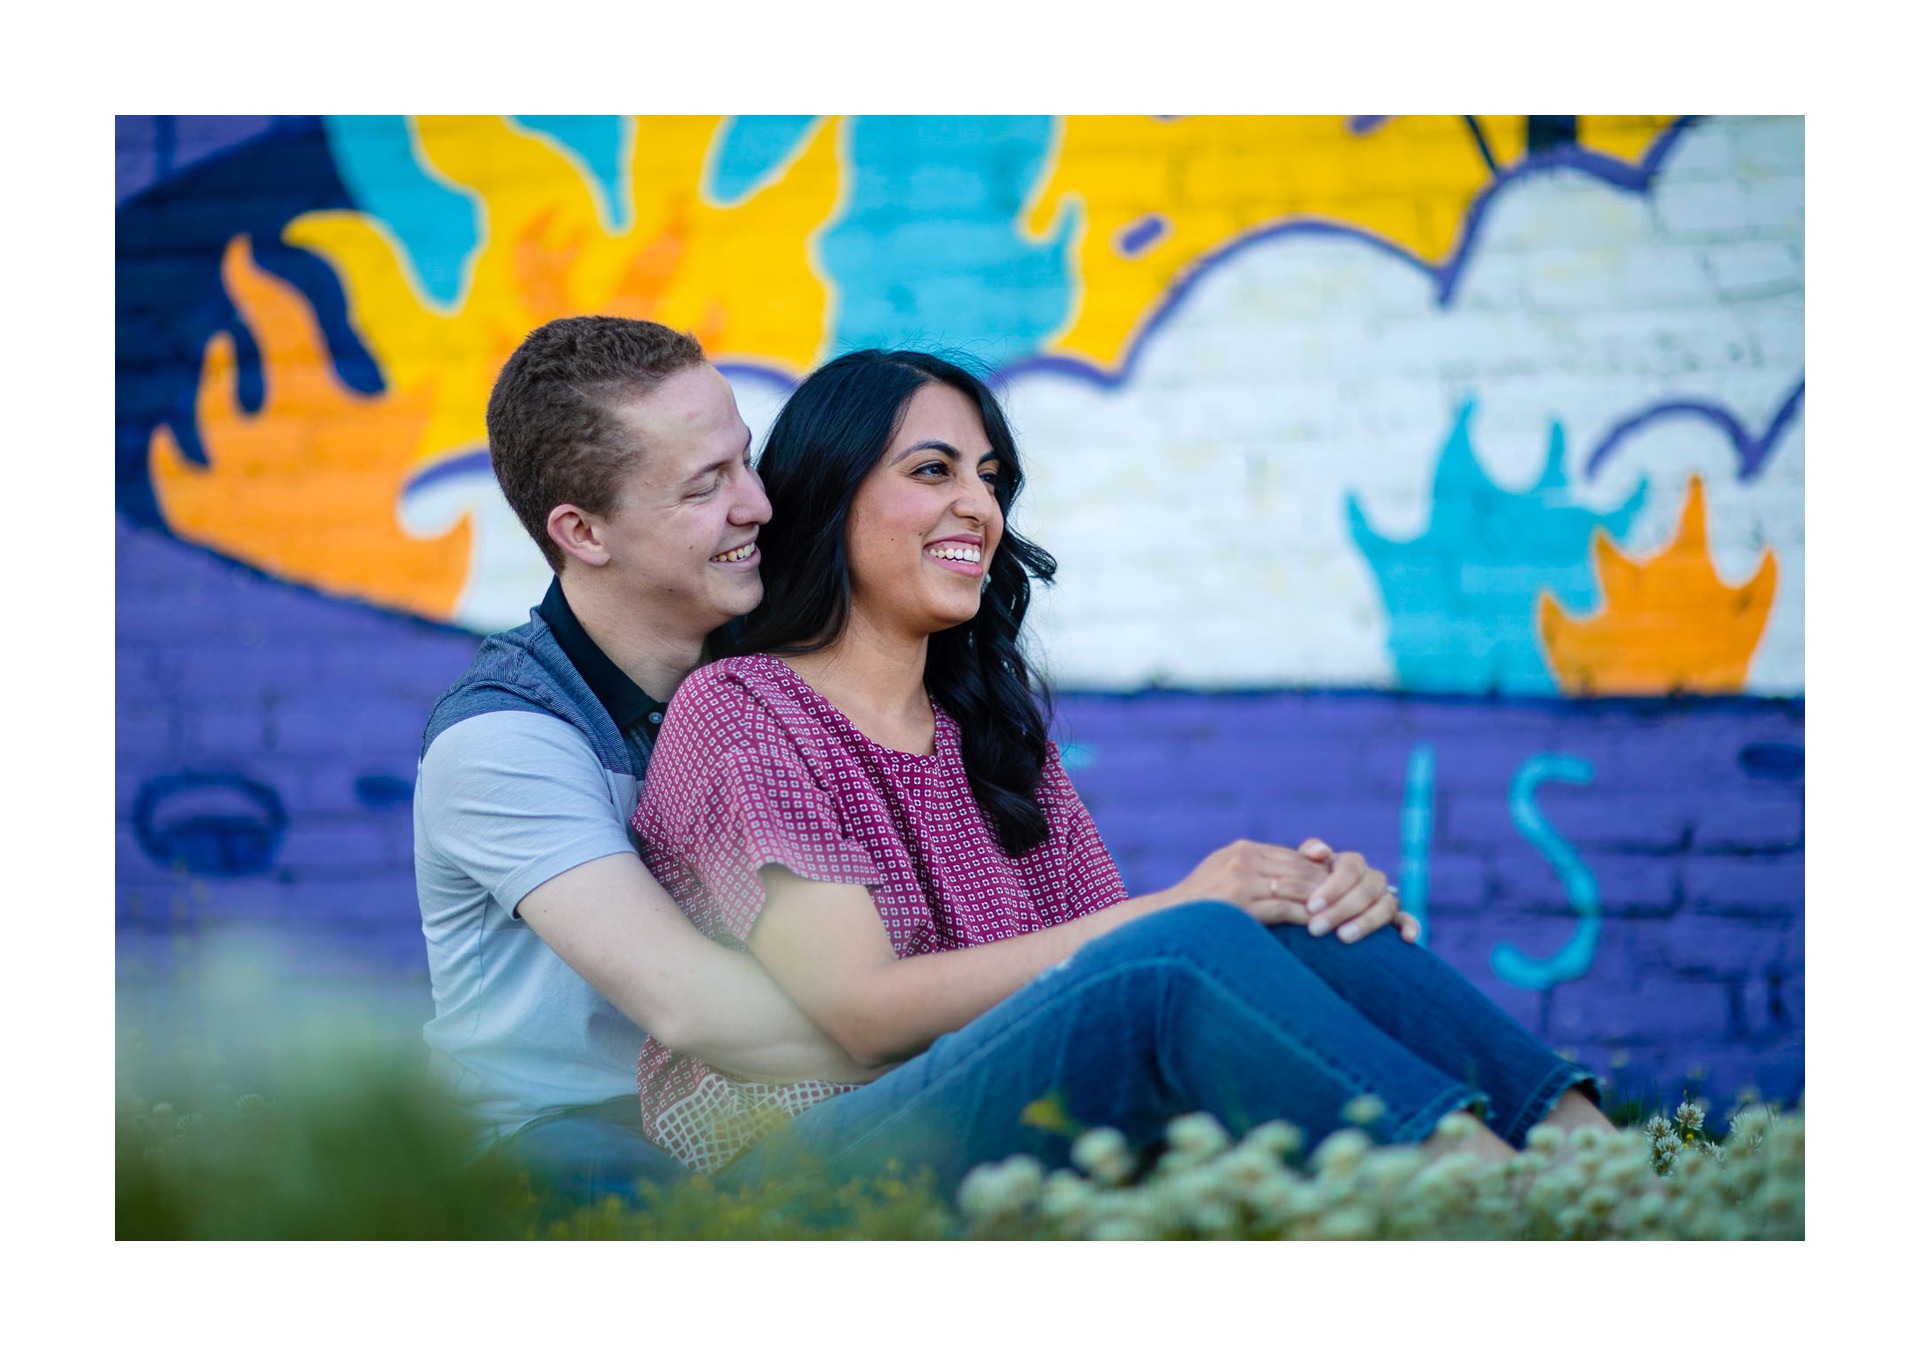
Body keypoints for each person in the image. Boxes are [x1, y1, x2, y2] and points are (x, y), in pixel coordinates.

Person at [413, 319, 1397, 1205]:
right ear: (583, 533)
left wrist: (1244, 947)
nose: (759, 504)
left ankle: (1538, 1159)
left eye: (746, 462)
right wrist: (1048, 1025)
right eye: (705, 486)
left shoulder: (805, 684)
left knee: (1288, 952)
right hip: (569, 1149)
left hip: (810, 1109)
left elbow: (1067, 932)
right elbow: (704, 1011)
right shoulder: (508, 742)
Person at [630, 348, 1609, 1192]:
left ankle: (1612, 1174)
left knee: (1302, 920)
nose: (978, 505)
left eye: (990, 477)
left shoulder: (992, 735)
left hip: (994, 1118)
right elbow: (862, 1012)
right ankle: (1504, 1213)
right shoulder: (745, 710)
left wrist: (1288, 903)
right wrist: (1192, 909)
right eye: (932, 471)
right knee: (1190, 945)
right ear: (831, 492)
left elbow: (1092, 971)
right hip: (807, 1163)